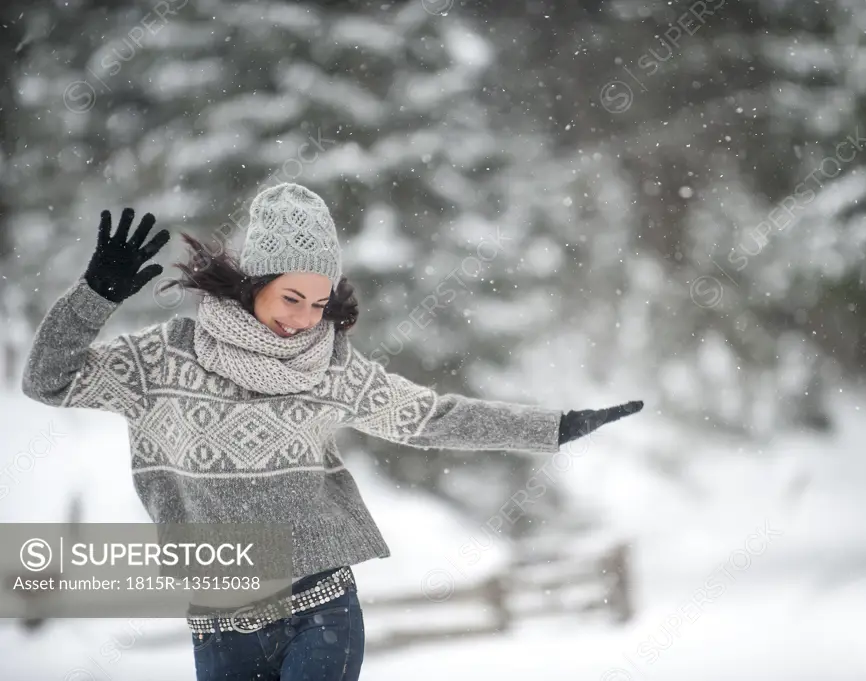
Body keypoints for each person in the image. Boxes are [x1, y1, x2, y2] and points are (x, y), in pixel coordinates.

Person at [20, 182, 643, 681]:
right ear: (255, 281)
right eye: (292, 298)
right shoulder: (163, 359)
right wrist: (93, 298)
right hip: (220, 617)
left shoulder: (329, 367)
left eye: (319, 304)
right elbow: (47, 380)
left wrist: (552, 427)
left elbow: (431, 418)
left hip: (321, 606)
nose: (305, 320)